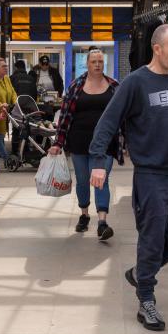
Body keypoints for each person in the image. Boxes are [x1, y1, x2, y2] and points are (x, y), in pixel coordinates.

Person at [89, 24, 168, 332]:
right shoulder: (135, 83)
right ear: (157, 49)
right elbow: (108, 123)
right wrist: (98, 161)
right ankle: (146, 297)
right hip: (150, 175)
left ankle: (140, 273)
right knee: (152, 238)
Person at [50, 49, 123, 241]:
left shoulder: (114, 86)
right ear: (87, 64)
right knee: (83, 181)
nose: (98, 65)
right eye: (94, 62)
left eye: (100, 61)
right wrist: (58, 142)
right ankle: (84, 214)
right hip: (79, 142)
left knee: (102, 180)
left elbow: (123, 115)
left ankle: (102, 222)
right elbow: (65, 117)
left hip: (105, 144)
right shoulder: (75, 86)